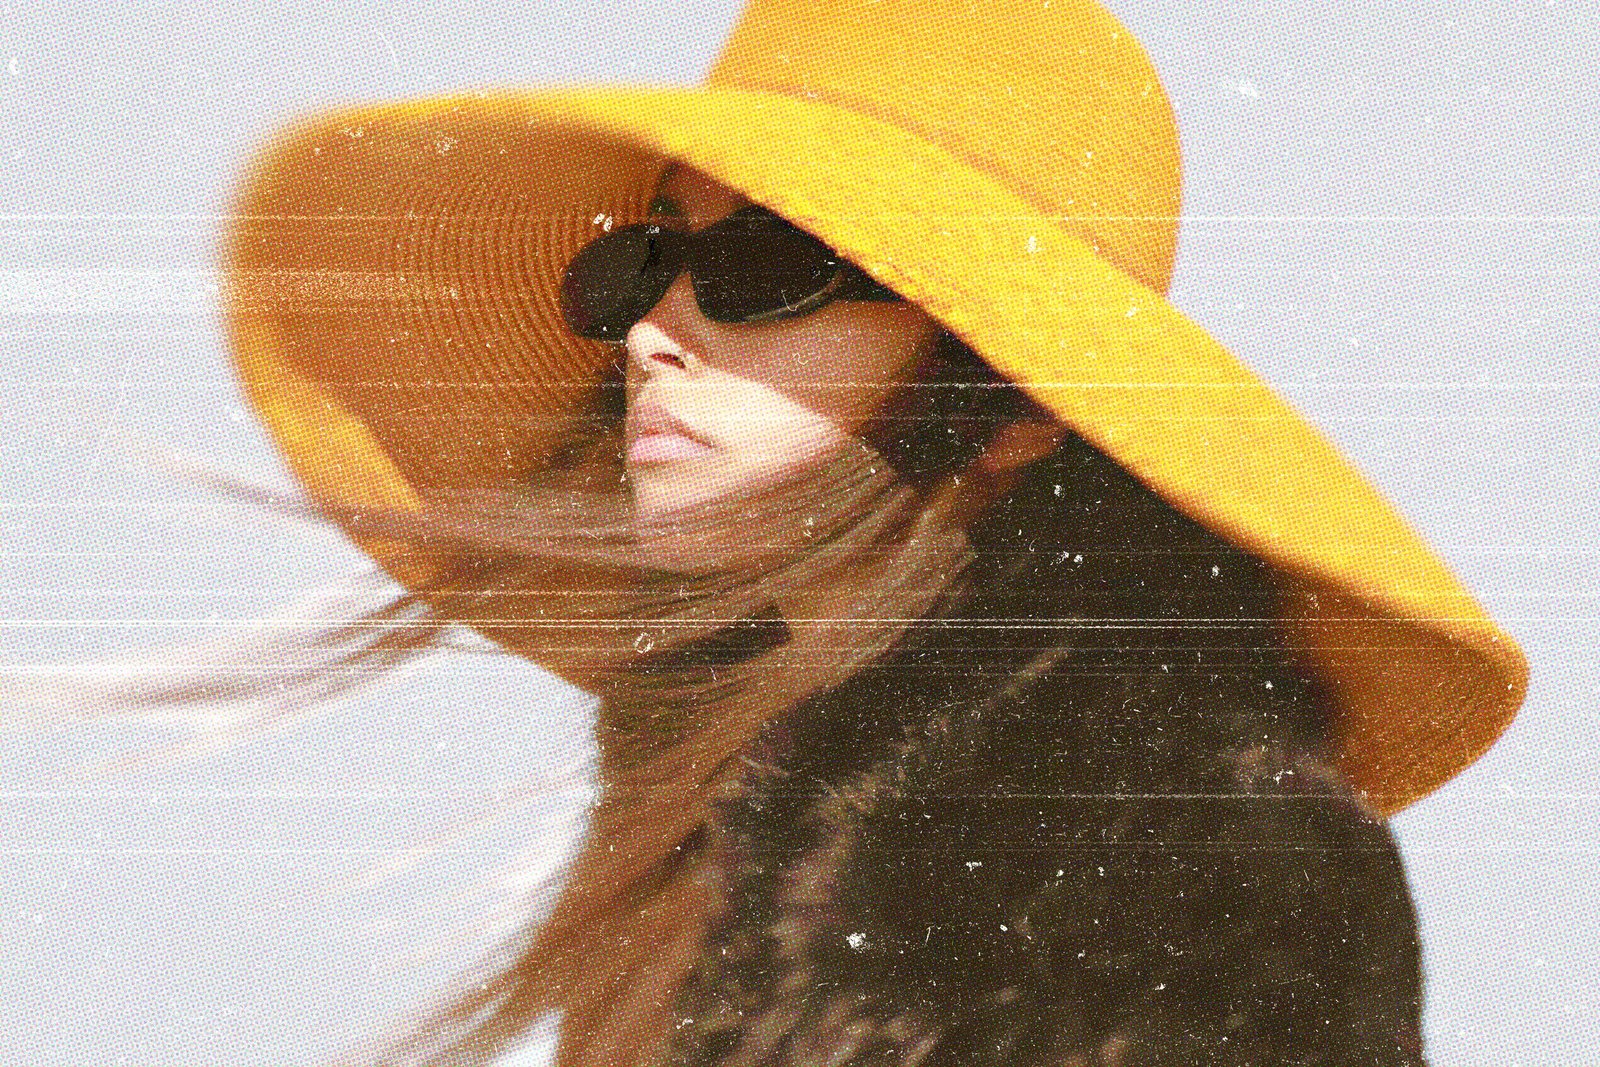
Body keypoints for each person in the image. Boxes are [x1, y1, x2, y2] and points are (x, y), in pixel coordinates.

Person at [172, 0, 1534, 1063]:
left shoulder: (1207, 875)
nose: (653, 332)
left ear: (1013, 408)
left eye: (767, 261)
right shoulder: (697, 823)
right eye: (643, 259)